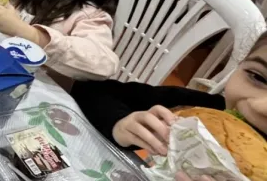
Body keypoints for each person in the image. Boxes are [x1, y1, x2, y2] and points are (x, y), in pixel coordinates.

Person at [73, 28, 267, 159]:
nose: (260, 107)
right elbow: (92, 89)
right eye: (258, 77)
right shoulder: (198, 110)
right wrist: (119, 123)